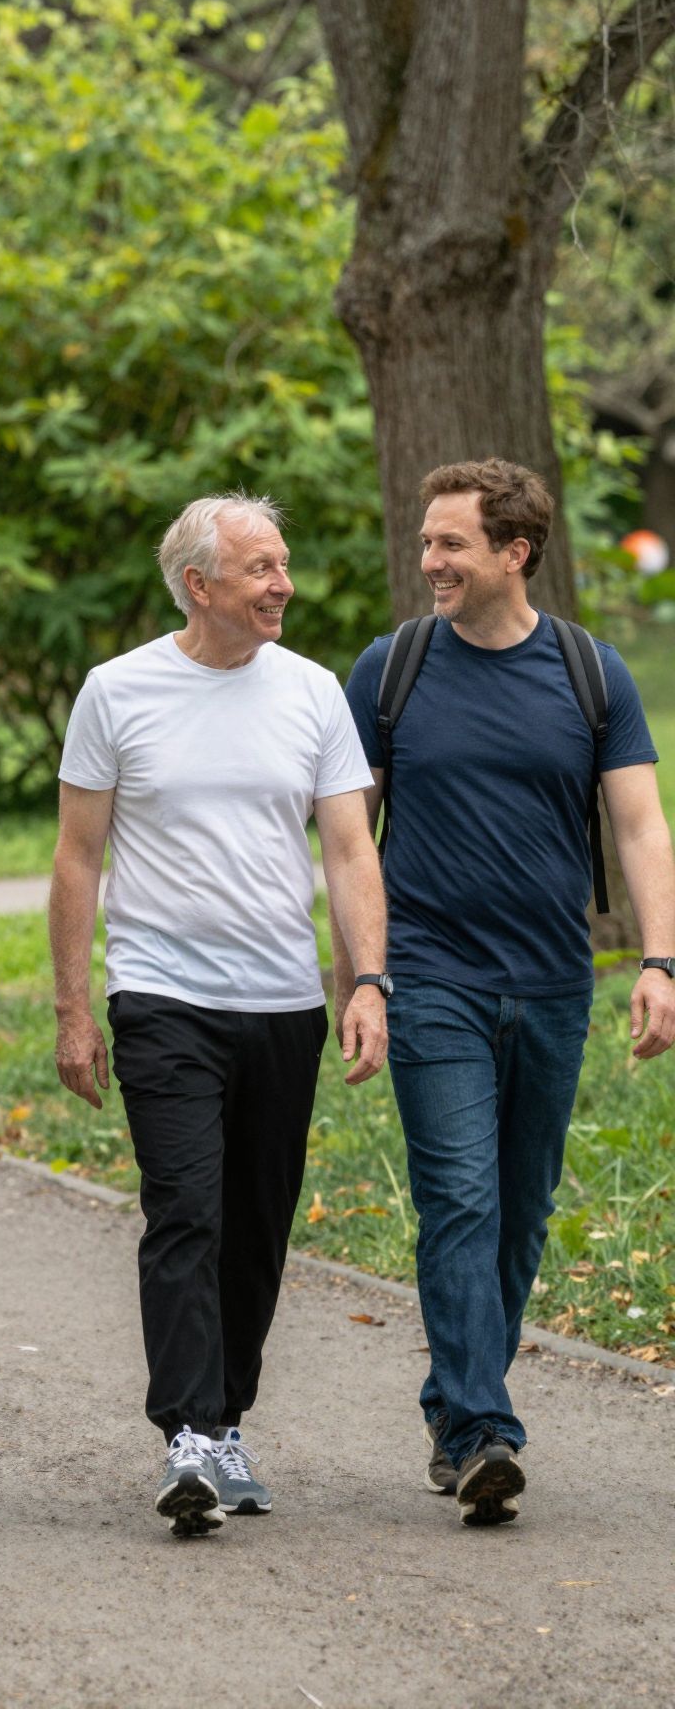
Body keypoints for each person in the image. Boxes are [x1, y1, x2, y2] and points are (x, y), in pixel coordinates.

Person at [342, 458, 675, 1528]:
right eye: (427, 541)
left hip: (553, 982)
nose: (428, 560)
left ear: (514, 552)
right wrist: (366, 972)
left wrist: (662, 959)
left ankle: (452, 1404)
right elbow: (347, 837)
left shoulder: (590, 670)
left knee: (521, 1211)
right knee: (461, 1198)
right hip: (432, 975)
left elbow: (639, 826)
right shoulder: (391, 669)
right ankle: (487, 1427)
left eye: (450, 544)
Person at [51, 494, 389, 1538]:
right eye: (259, 567)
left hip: (282, 999)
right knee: (186, 1207)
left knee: (256, 1222)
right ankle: (188, 1433)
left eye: (281, 563)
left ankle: (226, 1415)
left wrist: (365, 981)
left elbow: (347, 848)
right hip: (162, 995)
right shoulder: (118, 691)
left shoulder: (314, 691)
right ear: (200, 585)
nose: (282, 582)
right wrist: (73, 1007)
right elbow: (76, 855)